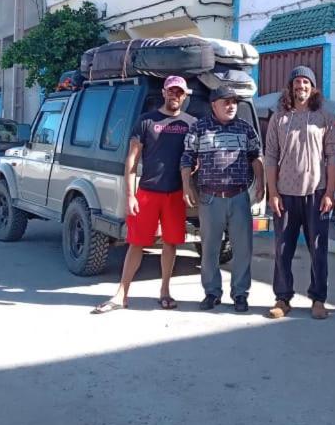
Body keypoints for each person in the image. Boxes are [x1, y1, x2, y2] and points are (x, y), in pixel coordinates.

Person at [93, 76, 196, 314]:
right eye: (171, 91)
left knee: (170, 244)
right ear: (163, 92)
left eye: (179, 92)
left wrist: (190, 183)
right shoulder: (146, 121)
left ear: (185, 95)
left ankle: (165, 292)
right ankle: (121, 294)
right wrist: (130, 195)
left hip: (175, 195)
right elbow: (131, 160)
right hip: (148, 192)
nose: (175, 95)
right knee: (136, 243)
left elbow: (194, 158)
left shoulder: (192, 123)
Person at [264, 66, 335, 320]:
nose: (301, 87)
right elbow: (270, 156)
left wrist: (330, 192)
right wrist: (272, 192)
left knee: (318, 248)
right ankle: (282, 298)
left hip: (316, 193)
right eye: (297, 82)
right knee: (282, 248)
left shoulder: (325, 118)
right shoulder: (279, 118)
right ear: (290, 87)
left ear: (313, 87)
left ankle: (318, 299)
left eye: (306, 82)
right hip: (285, 194)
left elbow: (333, 156)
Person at [181, 86, 264, 312]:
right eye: (225, 102)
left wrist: (261, 184)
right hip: (210, 198)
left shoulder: (245, 129)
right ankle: (211, 292)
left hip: (239, 196)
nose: (231, 106)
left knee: (243, 248)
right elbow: (187, 158)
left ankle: (240, 293)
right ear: (213, 105)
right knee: (209, 248)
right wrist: (187, 186)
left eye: (234, 102)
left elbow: (256, 158)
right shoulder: (199, 128)